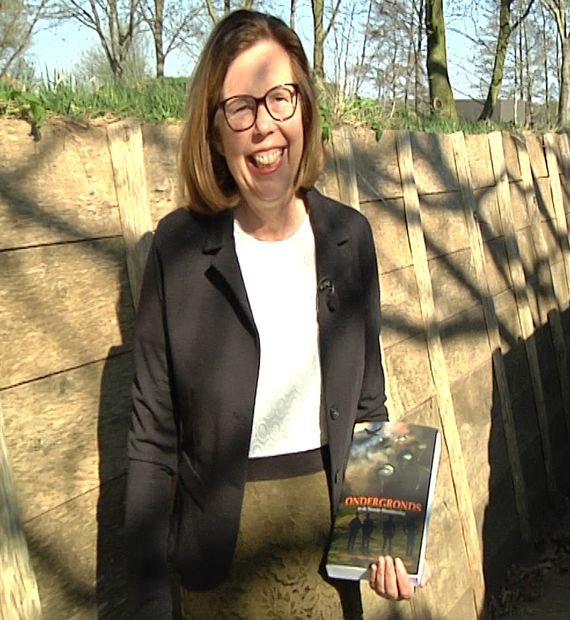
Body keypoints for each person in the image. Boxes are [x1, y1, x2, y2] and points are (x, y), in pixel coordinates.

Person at [124, 9, 423, 618]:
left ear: (305, 111)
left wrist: (387, 540)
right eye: (240, 107)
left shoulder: (351, 240)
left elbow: (368, 410)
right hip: (220, 580)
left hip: (330, 566)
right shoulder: (176, 252)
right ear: (215, 132)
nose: (264, 126)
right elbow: (152, 443)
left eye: (281, 98)